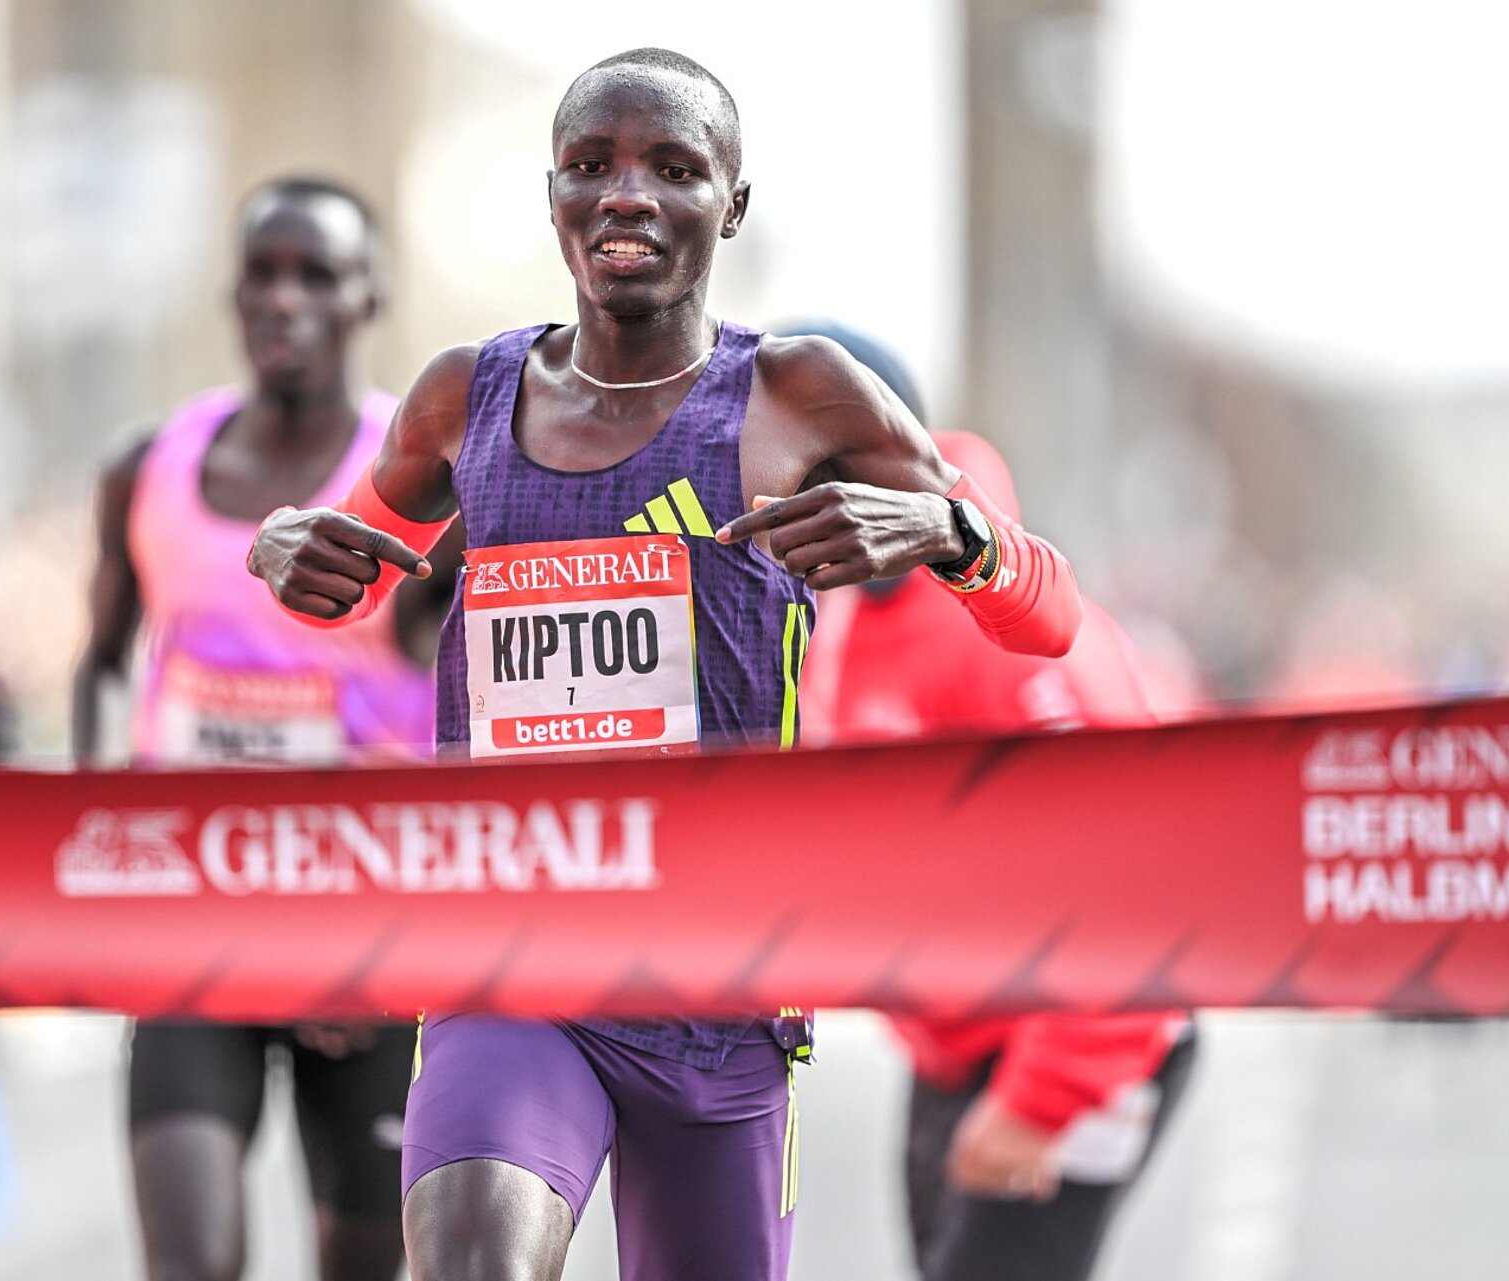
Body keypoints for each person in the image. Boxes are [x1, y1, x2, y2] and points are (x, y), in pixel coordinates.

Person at [246, 50, 1082, 1281]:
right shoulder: (462, 400)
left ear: (732, 206)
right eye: (592, 166)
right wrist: (282, 547)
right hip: (511, 961)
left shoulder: (798, 396)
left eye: (674, 169)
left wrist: (951, 535)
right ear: (553, 197)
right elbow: (348, 575)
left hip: (720, 984)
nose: (626, 195)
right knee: (472, 1261)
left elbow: (1047, 620)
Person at [783, 320, 1193, 1281]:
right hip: (956, 1044)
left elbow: (1132, 875)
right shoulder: (844, 603)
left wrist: (1044, 1098)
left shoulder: (991, 616)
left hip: (1074, 1041)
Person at [73, 175, 429, 1281]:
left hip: (365, 940)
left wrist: (391, 938)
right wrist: (93, 843)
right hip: (192, 918)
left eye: (316, 276)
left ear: (369, 297)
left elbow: (467, 710)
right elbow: (99, 666)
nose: (285, 301)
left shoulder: (420, 482)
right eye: (262, 275)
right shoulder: (149, 467)